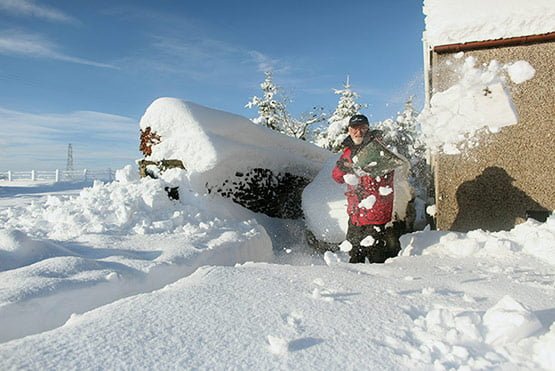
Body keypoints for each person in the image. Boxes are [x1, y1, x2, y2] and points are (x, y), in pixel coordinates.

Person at [332, 114, 401, 263]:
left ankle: (378, 285)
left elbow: (387, 174)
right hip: (355, 214)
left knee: (376, 257)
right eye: (354, 129)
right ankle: (355, 285)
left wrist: (366, 169)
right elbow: (336, 177)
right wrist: (341, 168)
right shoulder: (348, 152)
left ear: (368, 129)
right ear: (349, 130)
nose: (358, 133)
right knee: (355, 255)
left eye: (362, 128)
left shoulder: (377, 148)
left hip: (376, 212)